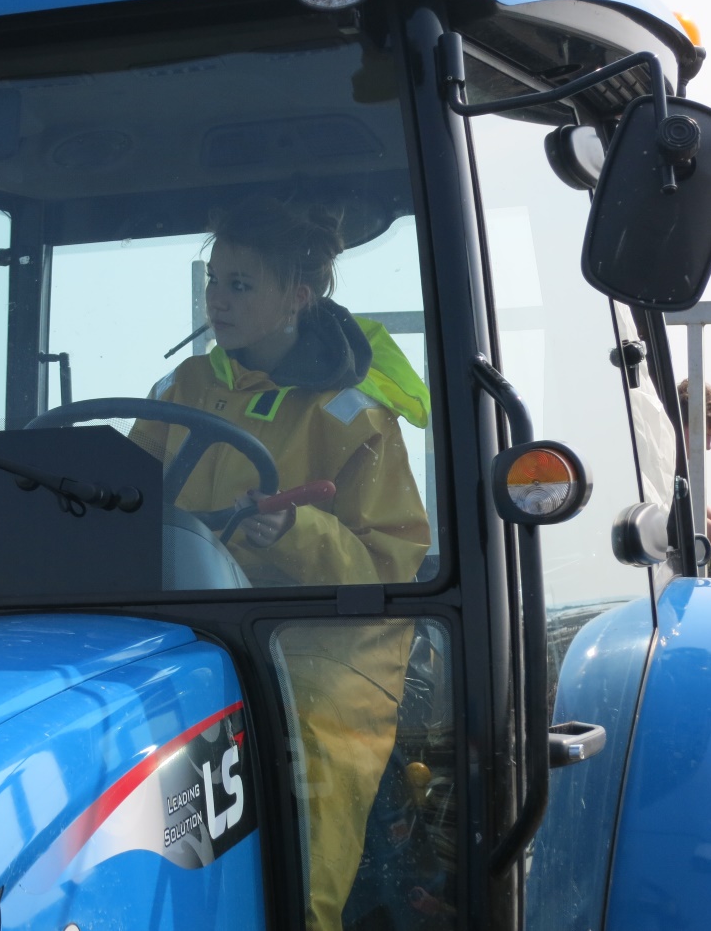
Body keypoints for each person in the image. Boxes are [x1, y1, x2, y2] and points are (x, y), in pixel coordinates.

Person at [132, 197, 431, 931]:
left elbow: (386, 568)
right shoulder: (179, 391)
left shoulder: (351, 414)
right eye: (214, 281)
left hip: (321, 645)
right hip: (190, 630)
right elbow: (122, 499)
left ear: (297, 295)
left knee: (306, 779)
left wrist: (295, 530)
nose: (218, 299)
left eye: (240, 284)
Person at [678, 378, 711, 542]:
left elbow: (705, 512)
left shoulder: (679, 472)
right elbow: (697, 522)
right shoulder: (660, 466)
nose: (708, 447)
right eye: (707, 435)